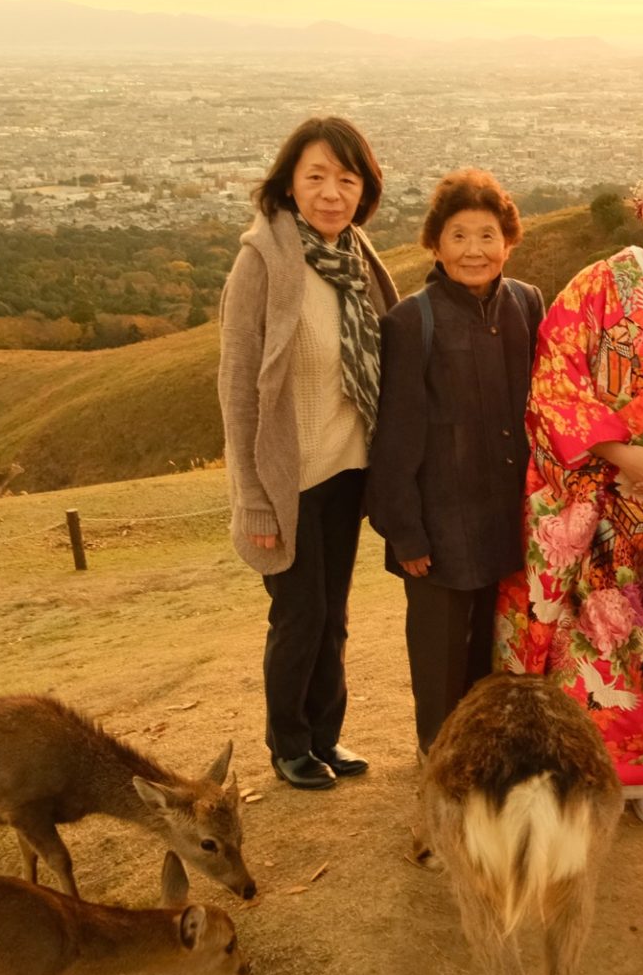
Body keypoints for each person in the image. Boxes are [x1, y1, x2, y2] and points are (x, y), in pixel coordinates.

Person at [495, 139, 643, 827]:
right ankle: (584, 776)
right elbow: (556, 377)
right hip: (602, 506)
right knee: (594, 647)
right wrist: (623, 455)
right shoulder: (598, 286)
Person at [219, 116, 399, 790]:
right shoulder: (262, 262)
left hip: (347, 469)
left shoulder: (357, 258)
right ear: (289, 183)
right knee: (299, 615)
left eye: (346, 179)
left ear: (364, 190)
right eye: (316, 176)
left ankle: (325, 735)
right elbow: (237, 389)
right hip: (288, 478)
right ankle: (288, 742)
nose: (331, 191)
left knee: (335, 613)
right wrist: (254, 498)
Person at [369, 170, 542, 757]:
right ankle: (439, 757)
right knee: (440, 655)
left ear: (508, 241)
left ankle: (483, 752)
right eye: (459, 235)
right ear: (436, 244)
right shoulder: (410, 322)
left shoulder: (525, 303)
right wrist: (405, 533)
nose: (475, 250)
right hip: (439, 527)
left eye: (488, 235)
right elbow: (393, 440)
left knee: (491, 650)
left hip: (508, 519)